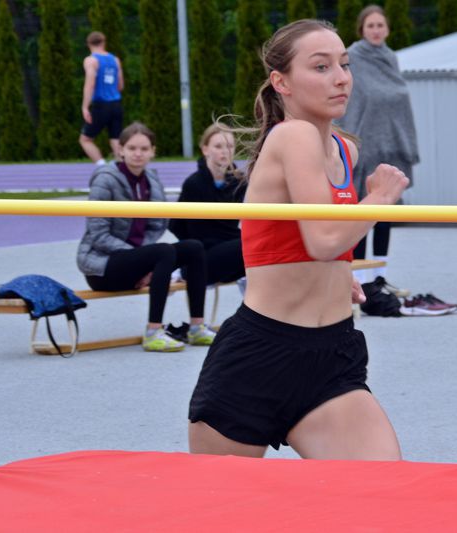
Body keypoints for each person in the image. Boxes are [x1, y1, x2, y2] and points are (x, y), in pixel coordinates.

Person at [188, 19, 409, 460]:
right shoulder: (293, 134)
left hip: (331, 355)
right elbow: (324, 237)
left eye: (344, 65)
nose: (341, 77)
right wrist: (380, 198)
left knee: (382, 498)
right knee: (221, 515)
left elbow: (308, 241)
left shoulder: (344, 149)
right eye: (321, 67)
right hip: (259, 358)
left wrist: (331, 273)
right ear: (281, 82)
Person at [76, 122, 216, 352]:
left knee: (193, 248)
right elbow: (98, 234)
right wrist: (140, 260)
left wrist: (144, 262)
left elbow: (157, 224)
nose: (138, 154)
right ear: (120, 150)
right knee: (164, 251)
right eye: (132, 148)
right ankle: (153, 332)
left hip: (137, 260)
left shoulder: (151, 179)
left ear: (153, 151)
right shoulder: (105, 179)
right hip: (102, 267)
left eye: (144, 149)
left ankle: (196, 327)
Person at [335, 5, 419, 292]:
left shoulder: (390, 58)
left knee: (386, 212)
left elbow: (397, 100)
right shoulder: (352, 58)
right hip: (363, 146)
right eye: (370, 25)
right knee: (362, 211)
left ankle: (379, 277)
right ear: (362, 29)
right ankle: (357, 279)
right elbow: (349, 100)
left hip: (390, 145)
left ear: (387, 29)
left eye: (380, 25)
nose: (375, 30)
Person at [169, 124, 247, 287]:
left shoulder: (240, 182)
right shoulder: (194, 183)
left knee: (258, 245)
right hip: (203, 256)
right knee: (248, 244)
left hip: (231, 252)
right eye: (218, 146)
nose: (225, 151)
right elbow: (175, 224)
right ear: (205, 149)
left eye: (230, 146)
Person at [79, 31, 124, 166]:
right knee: (115, 139)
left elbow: (90, 84)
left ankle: (102, 166)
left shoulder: (91, 60)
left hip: (101, 105)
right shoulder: (115, 60)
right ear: (104, 42)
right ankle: (123, 169)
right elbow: (120, 85)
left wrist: (85, 107)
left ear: (88, 44)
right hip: (116, 104)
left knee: (85, 139)